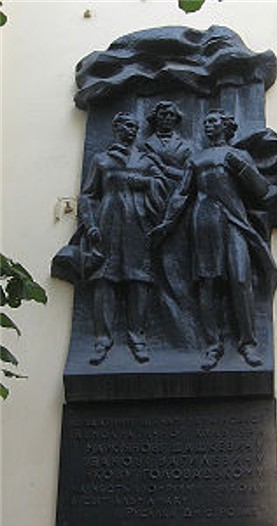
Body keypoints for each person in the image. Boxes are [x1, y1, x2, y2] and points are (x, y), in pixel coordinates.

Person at [151, 110, 277, 371]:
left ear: (226, 126)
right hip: (204, 222)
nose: (208, 126)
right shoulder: (196, 158)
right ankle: (213, 344)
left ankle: (247, 343)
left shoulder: (239, 155)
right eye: (206, 122)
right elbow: (181, 194)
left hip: (234, 221)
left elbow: (261, 190)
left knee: (241, 279)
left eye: (213, 121)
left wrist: (240, 167)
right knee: (208, 285)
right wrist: (167, 222)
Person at [79, 112, 163, 365]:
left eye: (135, 126)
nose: (131, 130)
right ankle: (103, 339)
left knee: (138, 280)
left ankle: (137, 337)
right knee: (105, 279)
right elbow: (88, 196)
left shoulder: (147, 159)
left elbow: (161, 184)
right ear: (116, 127)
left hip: (138, 224)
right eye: (127, 125)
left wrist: (146, 183)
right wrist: (91, 224)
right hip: (107, 224)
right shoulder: (102, 159)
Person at [143, 100, 192, 221]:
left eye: (171, 115)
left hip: (179, 199)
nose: (168, 118)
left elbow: (191, 176)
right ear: (155, 117)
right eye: (163, 114)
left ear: (176, 118)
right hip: (151, 199)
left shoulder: (187, 146)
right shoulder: (143, 145)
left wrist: (164, 168)